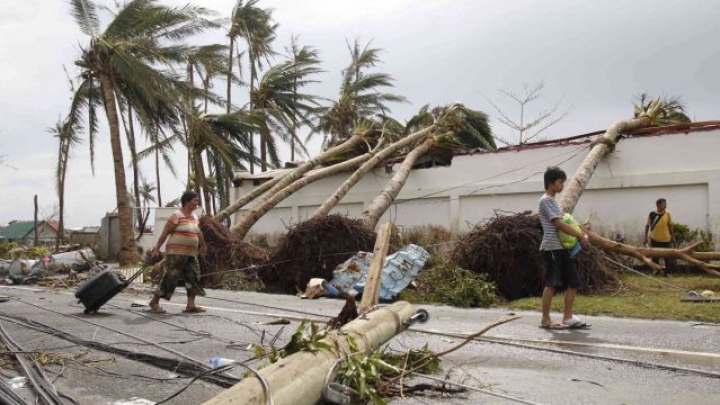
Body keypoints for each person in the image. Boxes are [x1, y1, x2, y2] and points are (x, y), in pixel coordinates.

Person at [538, 166, 590, 329]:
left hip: (562, 248)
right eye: (560, 182)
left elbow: (567, 222)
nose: (562, 186)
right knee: (552, 283)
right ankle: (545, 319)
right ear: (551, 183)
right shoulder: (546, 200)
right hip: (552, 247)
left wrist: (582, 233)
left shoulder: (554, 202)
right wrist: (580, 235)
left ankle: (568, 317)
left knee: (574, 281)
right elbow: (559, 224)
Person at [148, 191, 208, 314]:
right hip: (176, 253)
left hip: (191, 253)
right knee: (170, 277)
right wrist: (157, 249)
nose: (197, 203)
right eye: (195, 200)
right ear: (187, 202)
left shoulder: (195, 217)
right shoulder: (176, 216)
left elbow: (198, 232)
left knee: (193, 277)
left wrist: (203, 245)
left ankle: (190, 305)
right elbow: (165, 233)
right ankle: (154, 301)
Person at [643, 198, 676, 275]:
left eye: (665, 204)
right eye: (664, 204)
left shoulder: (668, 214)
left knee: (668, 258)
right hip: (655, 240)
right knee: (655, 258)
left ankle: (666, 273)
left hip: (666, 240)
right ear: (658, 205)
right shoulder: (652, 214)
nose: (665, 205)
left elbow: (670, 226)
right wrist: (645, 238)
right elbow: (647, 226)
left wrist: (673, 238)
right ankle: (656, 272)